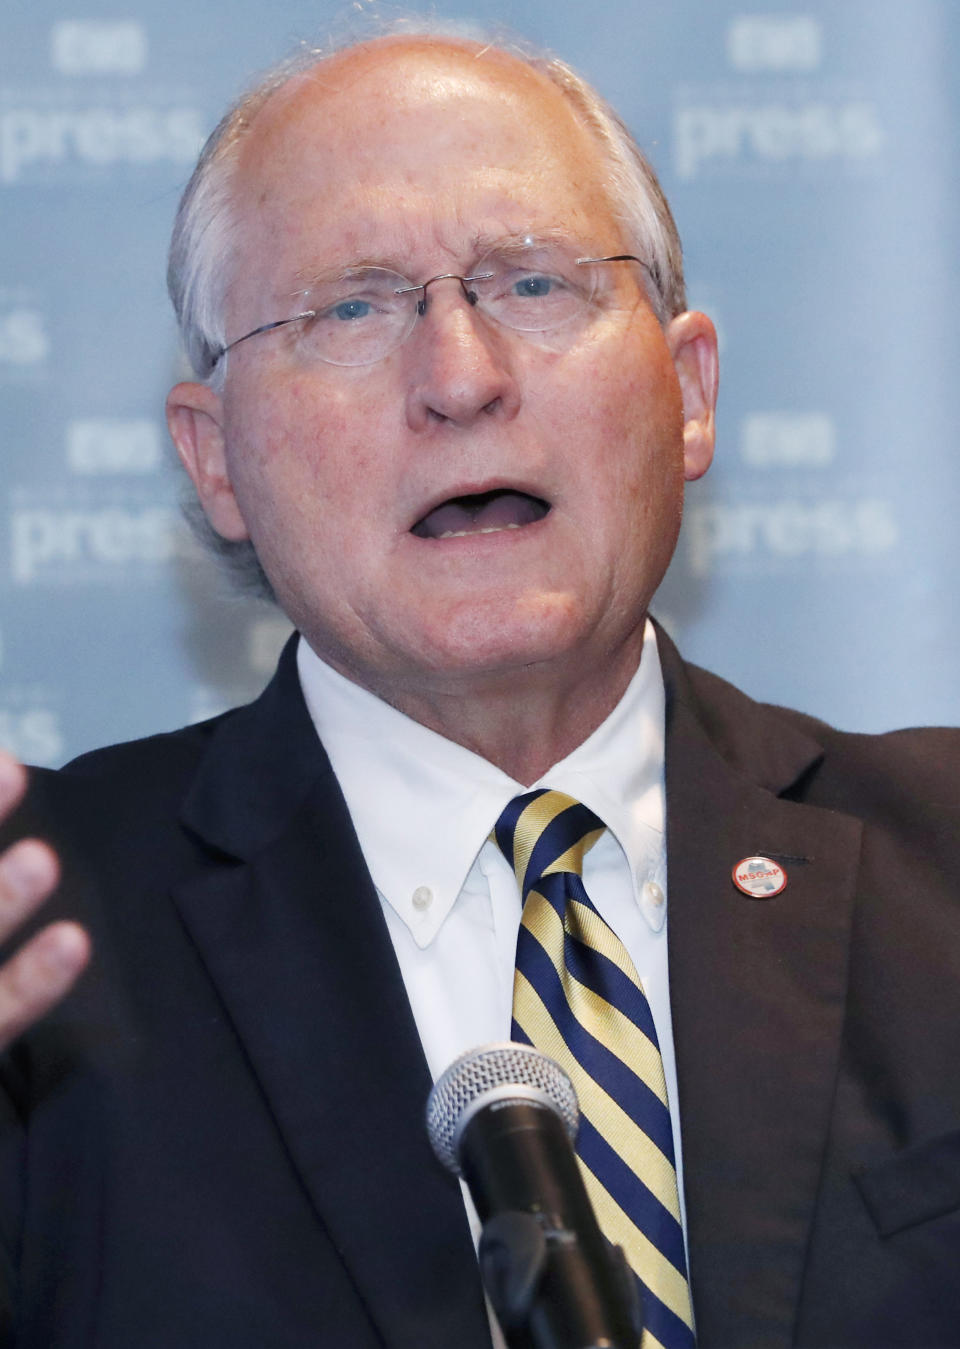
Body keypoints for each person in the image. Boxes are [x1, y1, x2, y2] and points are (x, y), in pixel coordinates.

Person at [1, 25, 959, 1349]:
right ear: (214, 460)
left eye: (535, 284)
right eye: (353, 306)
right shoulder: (39, 942)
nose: (462, 378)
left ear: (687, 394)